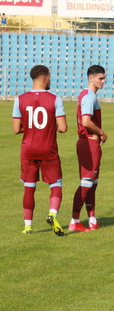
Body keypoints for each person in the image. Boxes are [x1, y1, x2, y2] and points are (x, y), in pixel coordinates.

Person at [12, 65, 67, 236]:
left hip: (28, 149)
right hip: (48, 149)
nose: (50, 80)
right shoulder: (55, 98)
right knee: (55, 183)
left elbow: (16, 129)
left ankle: (28, 227)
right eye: (49, 77)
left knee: (29, 187)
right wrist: (51, 126)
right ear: (43, 79)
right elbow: (63, 128)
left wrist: (30, 129)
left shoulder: (19, 99)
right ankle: (52, 214)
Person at [68, 65, 107, 233]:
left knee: (92, 183)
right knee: (86, 182)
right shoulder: (89, 96)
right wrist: (101, 132)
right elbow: (86, 122)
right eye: (100, 78)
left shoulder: (88, 95)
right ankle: (74, 220)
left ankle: (92, 219)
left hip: (91, 143)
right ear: (91, 78)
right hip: (88, 142)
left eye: (104, 78)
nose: (103, 81)